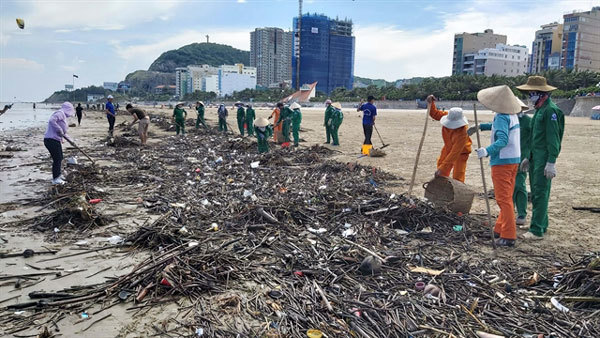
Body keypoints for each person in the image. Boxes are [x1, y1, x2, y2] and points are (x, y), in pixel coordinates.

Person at [516, 76, 564, 240]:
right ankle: (541, 223)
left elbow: (553, 138)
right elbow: (535, 138)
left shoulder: (550, 111)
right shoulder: (539, 110)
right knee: (537, 191)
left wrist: (551, 161)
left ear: (540, 93)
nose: (529, 96)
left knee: (540, 193)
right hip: (536, 157)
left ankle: (537, 230)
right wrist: (528, 157)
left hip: (544, 158)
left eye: (531, 93)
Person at [475, 85, 523, 247]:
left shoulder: (502, 116)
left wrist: (486, 151)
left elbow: (502, 140)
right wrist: (482, 126)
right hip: (513, 160)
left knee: (503, 199)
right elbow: (499, 127)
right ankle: (500, 229)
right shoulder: (512, 115)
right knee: (507, 197)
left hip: (503, 162)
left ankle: (508, 236)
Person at [426, 95, 472, 183]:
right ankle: (443, 186)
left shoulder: (463, 132)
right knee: (441, 167)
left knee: (458, 174)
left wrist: (442, 168)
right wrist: (431, 103)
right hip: (448, 147)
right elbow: (434, 114)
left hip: (461, 152)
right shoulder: (448, 115)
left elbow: (455, 152)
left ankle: (458, 191)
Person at [43, 102, 75, 185]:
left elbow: (64, 133)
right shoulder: (60, 113)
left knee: (60, 158)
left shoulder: (63, 116)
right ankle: (55, 179)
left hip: (54, 140)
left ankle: (58, 175)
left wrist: (71, 141)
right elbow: (51, 120)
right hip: (51, 140)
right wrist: (59, 130)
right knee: (57, 159)